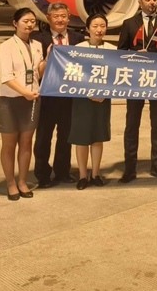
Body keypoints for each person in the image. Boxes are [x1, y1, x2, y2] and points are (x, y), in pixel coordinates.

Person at [117, 0, 157, 183]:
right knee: (132, 125)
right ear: (140, 2)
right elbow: (120, 53)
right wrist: (135, 55)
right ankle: (129, 168)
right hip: (135, 81)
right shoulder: (129, 24)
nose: (152, 2)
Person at [31, 2, 84, 188]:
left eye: (63, 16)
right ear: (48, 18)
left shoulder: (78, 38)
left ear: (69, 18)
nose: (60, 20)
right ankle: (42, 174)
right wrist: (48, 57)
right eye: (56, 16)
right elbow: (36, 70)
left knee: (66, 137)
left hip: (70, 97)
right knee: (43, 138)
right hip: (47, 96)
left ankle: (62, 172)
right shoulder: (38, 39)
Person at [0, 8, 44, 200]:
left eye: (33, 21)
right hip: (10, 100)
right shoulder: (6, 46)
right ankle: (10, 183)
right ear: (15, 23)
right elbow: (6, 77)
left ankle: (23, 181)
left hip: (32, 99)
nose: (30, 24)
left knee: (26, 143)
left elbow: (38, 72)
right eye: (25, 21)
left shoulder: (37, 45)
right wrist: (25, 93)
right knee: (9, 144)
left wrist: (49, 59)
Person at [69, 14, 115, 190]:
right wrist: (87, 92)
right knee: (81, 138)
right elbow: (73, 74)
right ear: (87, 29)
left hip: (102, 99)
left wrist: (105, 93)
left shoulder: (112, 49)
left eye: (102, 26)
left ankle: (95, 174)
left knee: (97, 136)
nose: (99, 30)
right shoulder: (78, 49)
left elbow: (116, 76)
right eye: (95, 26)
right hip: (82, 99)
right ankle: (82, 175)